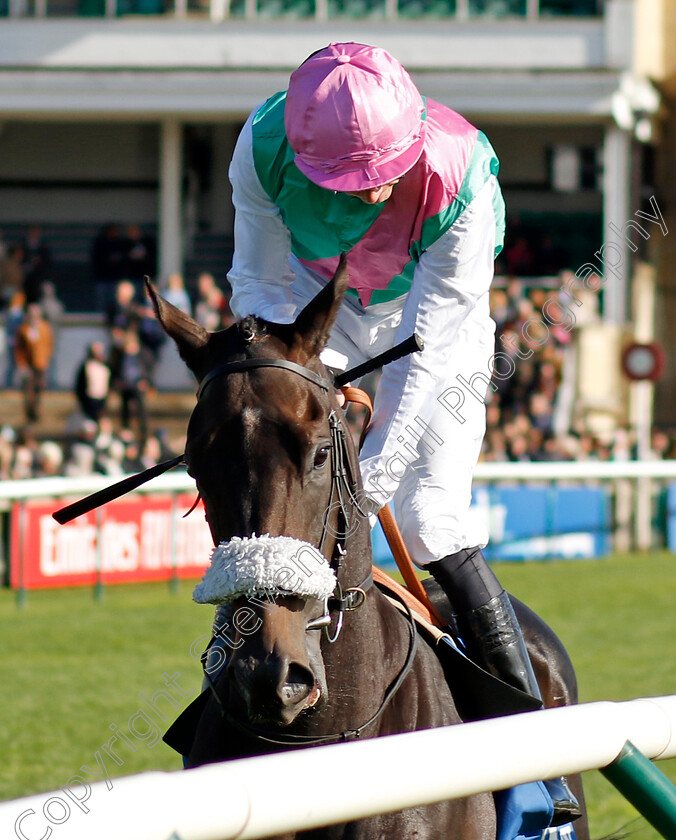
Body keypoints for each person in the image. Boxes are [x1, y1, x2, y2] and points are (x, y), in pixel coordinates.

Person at [226, 42, 579, 823]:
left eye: (385, 172)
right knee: (277, 484)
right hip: (318, 321)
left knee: (426, 517)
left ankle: (535, 770)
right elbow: (255, 283)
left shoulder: (462, 176)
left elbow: (430, 340)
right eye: (352, 181)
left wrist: (382, 460)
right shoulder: (261, 143)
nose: (377, 190)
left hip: (439, 334)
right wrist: (285, 376)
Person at [14, 302, 54, 423]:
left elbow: (49, 344)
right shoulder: (23, 329)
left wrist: (47, 358)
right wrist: (22, 365)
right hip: (28, 364)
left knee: (39, 389)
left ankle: (37, 412)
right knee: (28, 389)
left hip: (41, 363)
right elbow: (19, 349)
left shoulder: (45, 327)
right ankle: (29, 413)